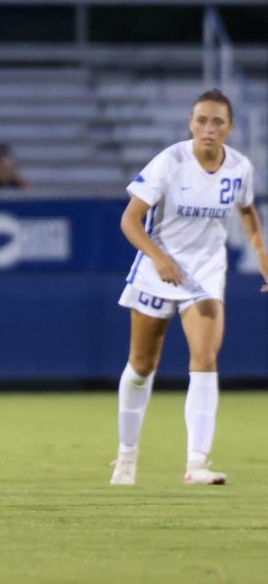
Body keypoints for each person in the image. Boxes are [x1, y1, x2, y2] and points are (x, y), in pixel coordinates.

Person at [109, 88, 268, 487]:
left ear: (230, 127)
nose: (208, 129)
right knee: (142, 366)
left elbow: (247, 211)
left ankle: (196, 463)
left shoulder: (239, 168)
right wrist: (159, 258)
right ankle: (126, 455)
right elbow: (129, 220)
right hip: (157, 271)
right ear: (190, 124)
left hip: (205, 273)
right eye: (201, 120)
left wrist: (262, 255)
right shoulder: (170, 162)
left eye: (217, 122)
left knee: (206, 356)